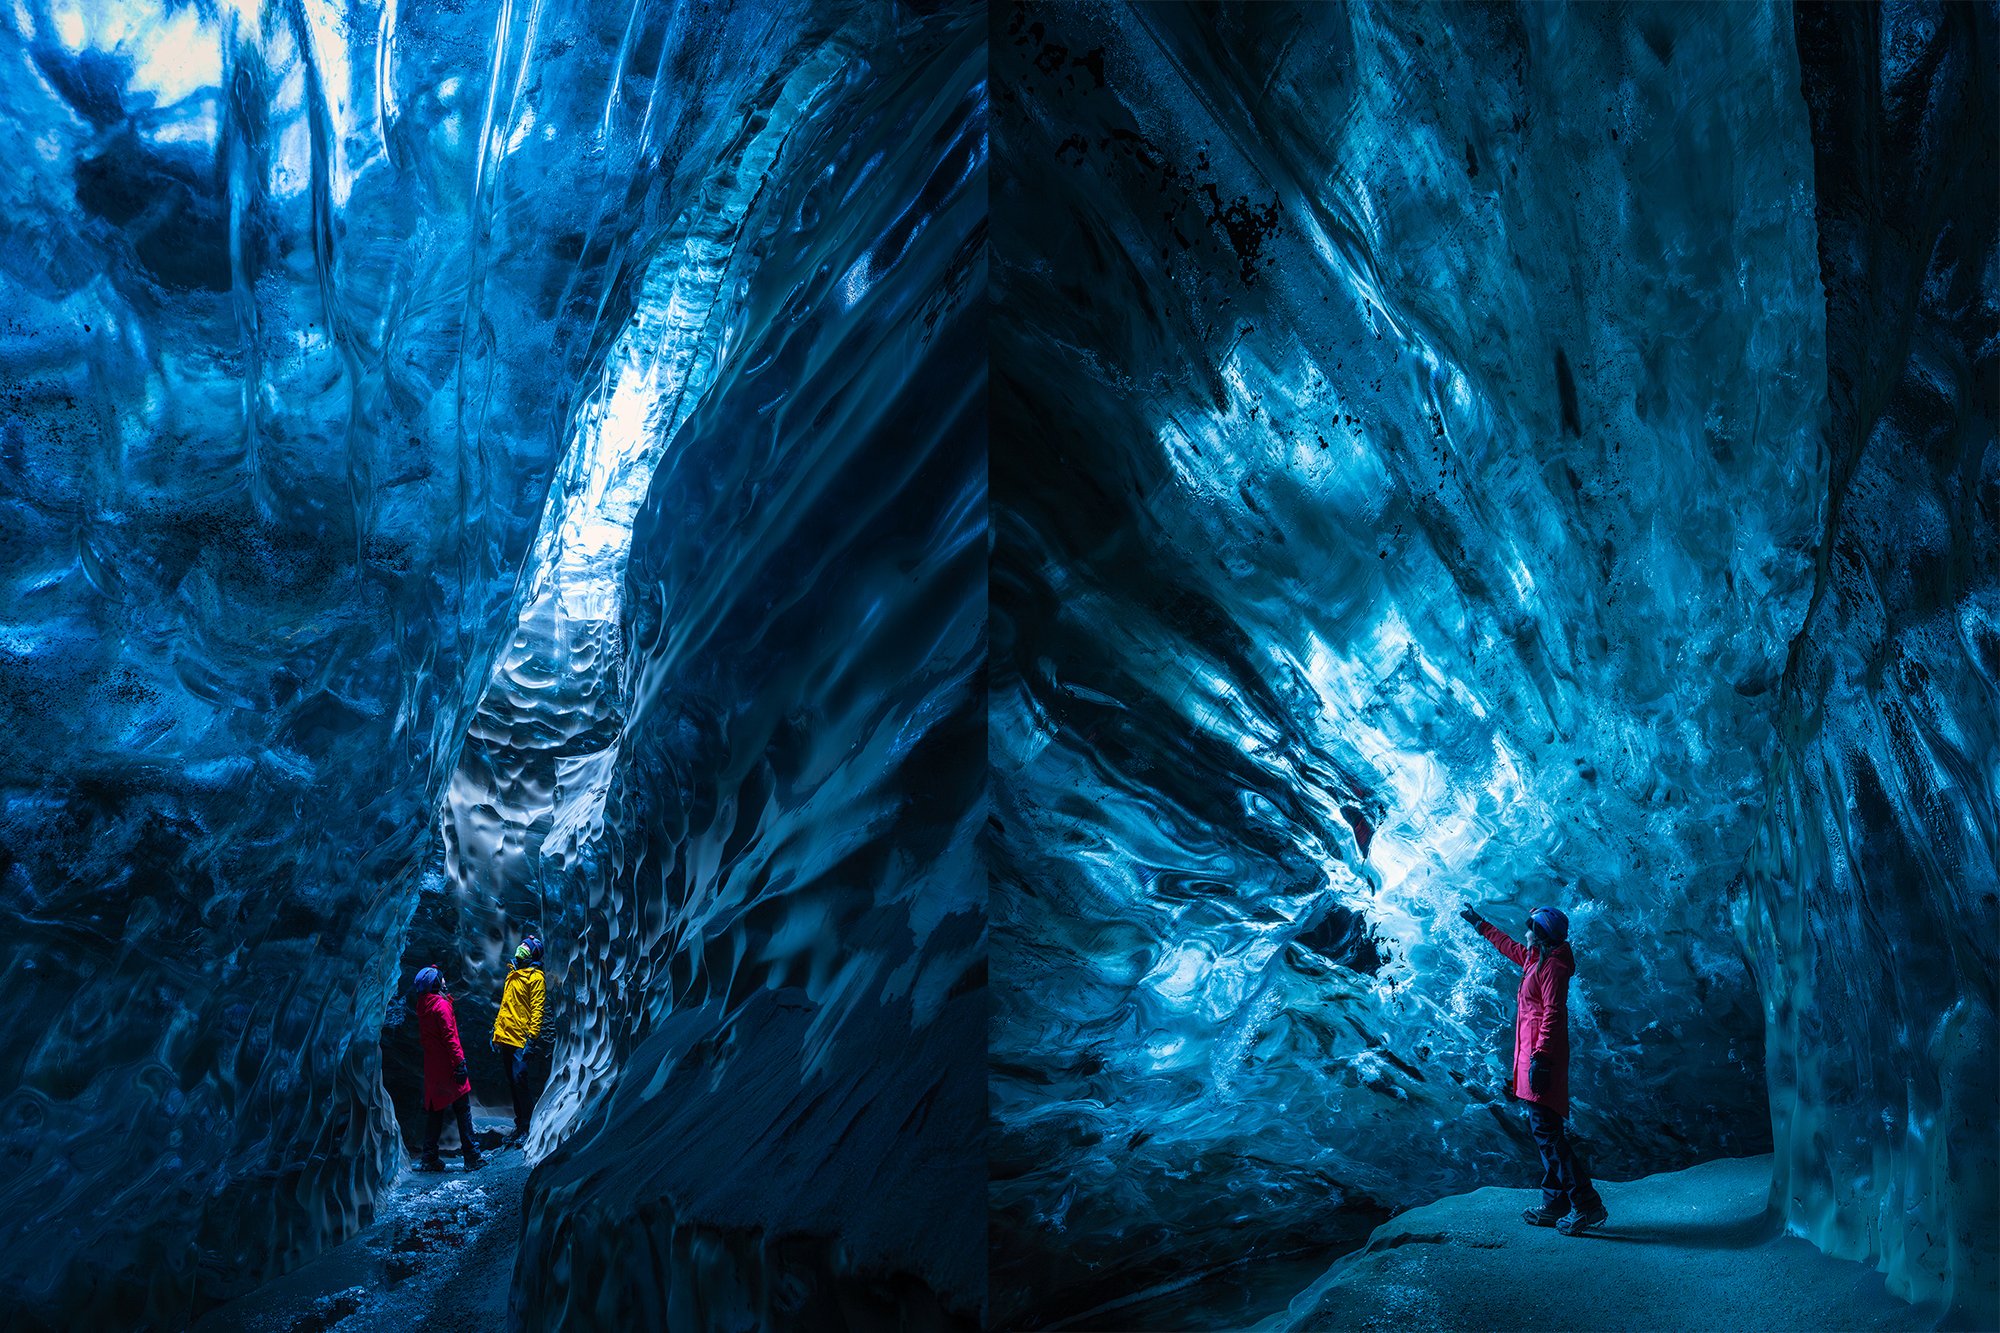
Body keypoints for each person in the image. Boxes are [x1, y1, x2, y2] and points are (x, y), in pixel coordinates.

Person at [1459, 903, 1607, 1236]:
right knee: (1545, 1134)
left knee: (1548, 1136)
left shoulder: (1553, 967)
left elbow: (1554, 1014)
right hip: (1531, 1056)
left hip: (1543, 1060)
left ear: (1539, 934)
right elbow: (1509, 946)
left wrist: (1540, 1058)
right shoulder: (1535, 958)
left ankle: (1587, 1205)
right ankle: (1555, 1203)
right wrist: (1479, 923)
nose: (1524, 932)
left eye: (1530, 928)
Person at [410, 965, 485, 1173]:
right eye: (441, 979)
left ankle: (429, 1158)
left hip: (434, 1067)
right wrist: (460, 1063)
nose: (444, 981)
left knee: (435, 1112)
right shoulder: (441, 1006)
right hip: (449, 1066)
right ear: (435, 984)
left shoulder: (423, 1005)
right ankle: (472, 1156)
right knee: (463, 1109)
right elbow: (450, 1037)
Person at [490, 935, 546, 1146]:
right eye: (522, 944)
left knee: (520, 1080)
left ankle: (528, 1125)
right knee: (513, 1083)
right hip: (506, 1036)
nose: (521, 947)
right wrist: (495, 1032)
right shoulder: (513, 974)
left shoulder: (536, 978)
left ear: (532, 953)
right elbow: (505, 1006)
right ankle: (519, 1124)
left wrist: (532, 1039)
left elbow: (537, 1010)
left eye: (526, 946)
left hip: (521, 1038)